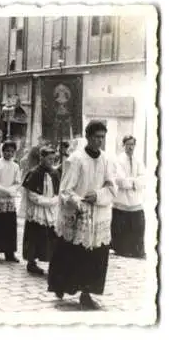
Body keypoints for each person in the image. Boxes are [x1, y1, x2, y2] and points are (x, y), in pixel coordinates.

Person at [47, 120, 117, 310]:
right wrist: (78, 202)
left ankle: (86, 293)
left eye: (102, 137)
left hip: (99, 215)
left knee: (95, 256)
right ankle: (60, 285)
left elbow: (112, 188)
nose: (99, 141)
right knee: (70, 252)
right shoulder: (75, 159)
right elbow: (65, 190)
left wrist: (99, 195)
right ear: (87, 137)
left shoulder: (107, 160)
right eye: (96, 137)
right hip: (77, 214)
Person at [20, 146, 61, 275]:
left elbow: (59, 191)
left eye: (53, 160)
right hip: (37, 210)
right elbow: (32, 195)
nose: (51, 162)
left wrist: (55, 200)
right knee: (34, 236)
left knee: (50, 237)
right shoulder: (34, 173)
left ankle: (52, 262)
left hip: (51, 210)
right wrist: (47, 201)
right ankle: (31, 262)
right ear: (41, 158)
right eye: (49, 159)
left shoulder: (55, 173)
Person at [111, 135, 146, 258]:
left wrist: (133, 182)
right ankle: (123, 250)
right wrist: (134, 182)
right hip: (122, 199)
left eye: (132, 144)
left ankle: (137, 250)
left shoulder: (138, 160)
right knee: (123, 227)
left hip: (136, 199)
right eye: (128, 144)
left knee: (138, 225)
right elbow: (120, 180)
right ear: (123, 145)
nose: (130, 147)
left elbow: (143, 178)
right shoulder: (118, 160)